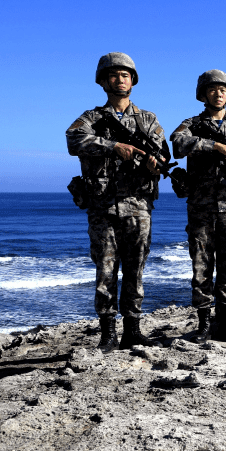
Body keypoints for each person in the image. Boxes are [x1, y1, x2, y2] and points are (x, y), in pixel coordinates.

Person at [66, 52, 170, 352]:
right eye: (114, 75)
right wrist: (113, 146)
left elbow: (163, 156)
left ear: (133, 81)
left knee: (136, 269)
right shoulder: (92, 118)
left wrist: (155, 165)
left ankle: (133, 330)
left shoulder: (148, 119)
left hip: (138, 204)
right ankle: (108, 334)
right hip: (103, 206)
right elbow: (74, 140)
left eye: (125, 75)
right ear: (103, 82)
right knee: (106, 270)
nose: (120, 79)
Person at [171, 69, 226, 343]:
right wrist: (214, 146)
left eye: (222, 90)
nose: (218, 94)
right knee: (201, 266)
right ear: (203, 95)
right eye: (212, 89)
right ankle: (203, 324)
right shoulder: (192, 123)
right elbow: (177, 144)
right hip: (201, 207)